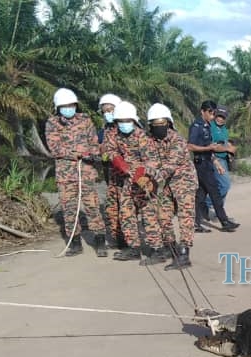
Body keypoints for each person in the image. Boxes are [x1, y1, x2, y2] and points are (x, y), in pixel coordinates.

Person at [44, 88, 107, 257]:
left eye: (71, 105)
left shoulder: (85, 120)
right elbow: (55, 148)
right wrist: (77, 153)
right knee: (69, 208)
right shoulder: (52, 123)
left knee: (92, 206)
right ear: (58, 107)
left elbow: (93, 141)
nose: (68, 108)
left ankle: (100, 240)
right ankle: (75, 242)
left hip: (86, 171)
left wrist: (92, 154)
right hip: (66, 174)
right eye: (65, 106)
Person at [102, 101, 165, 265]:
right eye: (121, 122)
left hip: (144, 181)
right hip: (126, 181)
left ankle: (157, 249)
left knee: (149, 215)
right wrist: (118, 162)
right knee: (126, 213)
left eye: (127, 121)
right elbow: (109, 151)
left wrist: (142, 175)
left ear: (134, 121)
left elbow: (152, 161)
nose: (124, 125)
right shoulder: (114, 135)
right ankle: (134, 248)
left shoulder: (142, 137)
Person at [146, 103, 197, 270]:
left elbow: (170, 165)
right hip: (167, 184)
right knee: (163, 215)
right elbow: (151, 162)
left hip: (184, 181)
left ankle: (184, 253)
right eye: (155, 125)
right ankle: (170, 247)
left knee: (185, 216)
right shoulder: (151, 141)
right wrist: (146, 177)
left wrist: (154, 178)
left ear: (169, 123)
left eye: (162, 124)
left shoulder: (177, 140)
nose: (159, 127)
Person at [187, 100, 239, 233]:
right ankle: (224, 221)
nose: (212, 115)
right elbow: (190, 146)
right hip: (201, 164)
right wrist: (207, 148)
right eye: (210, 112)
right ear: (202, 112)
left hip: (208, 162)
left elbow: (210, 149)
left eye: (213, 112)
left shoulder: (207, 126)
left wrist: (216, 162)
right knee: (215, 192)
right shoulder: (197, 126)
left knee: (200, 195)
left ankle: (196, 223)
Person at [96, 94, 126, 249]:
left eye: (110, 109)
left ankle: (128, 240)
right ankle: (118, 238)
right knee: (112, 207)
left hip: (125, 174)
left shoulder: (127, 126)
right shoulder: (105, 129)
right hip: (111, 174)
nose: (107, 113)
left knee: (125, 206)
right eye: (104, 111)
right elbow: (101, 148)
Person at [205, 106, 236, 222]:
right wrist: (227, 149)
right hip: (215, 159)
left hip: (224, 160)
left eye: (223, 117)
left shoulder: (224, 129)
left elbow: (224, 142)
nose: (220, 119)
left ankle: (219, 212)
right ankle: (205, 205)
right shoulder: (211, 127)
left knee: (221, 186)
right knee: (225, 185)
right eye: (219, 116)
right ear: (215, 115)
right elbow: (213, 146)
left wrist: (230, 147)